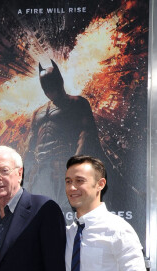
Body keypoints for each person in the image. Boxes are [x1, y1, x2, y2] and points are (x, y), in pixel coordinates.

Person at [24, 60, 105, 209]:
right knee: (41, 209)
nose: (49, 91)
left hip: (63, 164)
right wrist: (26, 171)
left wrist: (74, 164)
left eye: (51, 85)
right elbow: (30, 143)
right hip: (41, 168)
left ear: (59, 81)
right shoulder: (38, 112)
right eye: (46, 87)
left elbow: (86, 134)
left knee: (68, 208)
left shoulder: (77, 103)